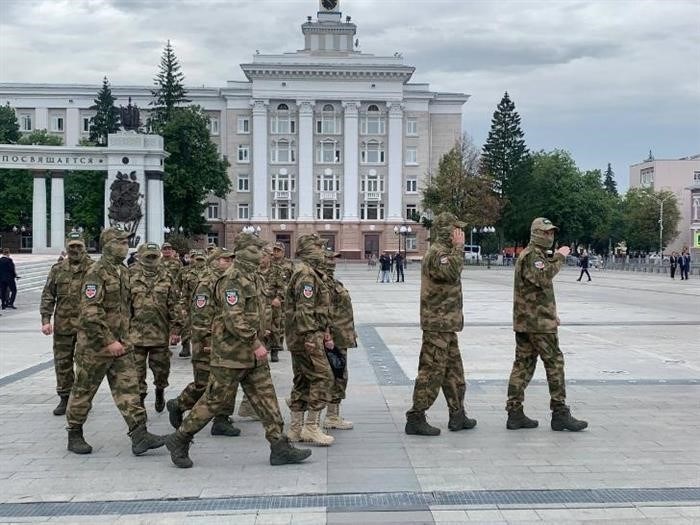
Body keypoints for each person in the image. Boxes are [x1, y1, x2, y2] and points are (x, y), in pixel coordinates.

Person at [164, 233, 312, 468]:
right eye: (256, 249)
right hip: (231, 354)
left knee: (267, 400)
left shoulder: (254, 277)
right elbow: (234, 318)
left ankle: (279, 447)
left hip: (253, 356)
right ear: (242, 252)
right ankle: (180, 438)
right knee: (213, 401)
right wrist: (255, 343)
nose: (261, 253)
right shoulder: (232, 279)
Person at [65, 227, 165, 455]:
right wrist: (108, 341)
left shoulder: (122, 271)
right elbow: (90, 312)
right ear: (108, 245)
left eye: (125, 242)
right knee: (84, 391)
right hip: (95, 347)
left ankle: (139, 435)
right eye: (120, 242)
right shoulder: (95, 273)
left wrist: (125, 337)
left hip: (121, 345)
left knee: (129, 388)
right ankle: (74, 432)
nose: (125, 246)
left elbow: (126, 309)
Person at [506, 217, 588, 432]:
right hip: (538, 325)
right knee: (554, 363)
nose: (550, 236)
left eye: (551, 233)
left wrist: (551, 314)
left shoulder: (534, 255)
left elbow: (536, 291)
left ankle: (515, 413)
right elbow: (543, 278)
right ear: (536, 234)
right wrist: (560, 256)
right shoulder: (533, 255)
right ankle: (559, 413)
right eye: (546, 233)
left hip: (530, 320)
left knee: (522, 365)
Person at [405, 212, 476, 436]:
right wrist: (459, 248)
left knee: (454, 372)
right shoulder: (438, 254)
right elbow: (452, 271)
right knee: (431, 371)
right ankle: (416, 416)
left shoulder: (445, 252)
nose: (461, 234)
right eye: (457, 230)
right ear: (447, 231)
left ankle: (457, 414)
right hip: (437, 325)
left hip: (447, 325)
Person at [166, 248, 240, 437]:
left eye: (231, 259)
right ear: (215, 262)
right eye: (225, 259)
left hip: (225, 341)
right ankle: (180, 403)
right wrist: (208, 341)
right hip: (207, 342)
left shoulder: (229, 281)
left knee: (227, 382)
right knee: (204, 383)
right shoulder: (206, 283)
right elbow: (200, 318)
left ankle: (221, 420)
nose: (230, 262)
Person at [285, 234, 335, 446]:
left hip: (302, 335)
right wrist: (309, 337)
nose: (322, 251)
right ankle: (312, 426)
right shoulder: (306, 275)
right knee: (324, 376)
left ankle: (295, 428)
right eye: (318, 247)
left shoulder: (308, 273)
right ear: (308, 250)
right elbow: (304, 310)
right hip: (306, 335)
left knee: (303, 379)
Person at [40, 232, 94, 416]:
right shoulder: (57, 269)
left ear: (84, 246)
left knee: (85, 366)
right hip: (63, 326)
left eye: (78, 246)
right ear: (67, 247)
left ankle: (83, 399)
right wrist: (46, 320)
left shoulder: (94, 269)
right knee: (62, 363)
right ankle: (64, 397)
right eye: (72, 246)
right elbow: (48, 295)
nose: (75, 250)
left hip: (87, 328)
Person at [129, 243, 182, 412]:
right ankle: (140, 403)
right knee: (136, 374)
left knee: (161, 371)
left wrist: (176, 330)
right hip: (136, 335)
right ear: (141, 256)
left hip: (160, 333)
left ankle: (160, 391)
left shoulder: (166, 277)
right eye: (148, 256)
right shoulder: (131, 276)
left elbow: (174, 304)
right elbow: (124, 305)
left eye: (154, 256)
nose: (151, 260)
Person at [322, 246, 356, 430]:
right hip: (333, 339)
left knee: (338, 374)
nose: (333, 263)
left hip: (341, 336)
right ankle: (331, 417)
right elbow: (322, 311)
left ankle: (332, 414)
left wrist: (351, 331)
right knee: (337, 375)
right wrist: (327, 335)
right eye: (330, 259)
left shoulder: (332, 282)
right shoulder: (324, 284)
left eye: (334, 259)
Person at [267, 242, 293, 363]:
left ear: (283, 252)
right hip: (269, 298)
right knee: (271, 321)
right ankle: (273, 344)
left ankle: (278, 343)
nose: (276, 252)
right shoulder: (269, 263)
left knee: (281, 320)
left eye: (278, 250)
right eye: (275, 250)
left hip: (284, 295)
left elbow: (292, 280)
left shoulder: (289, 264)